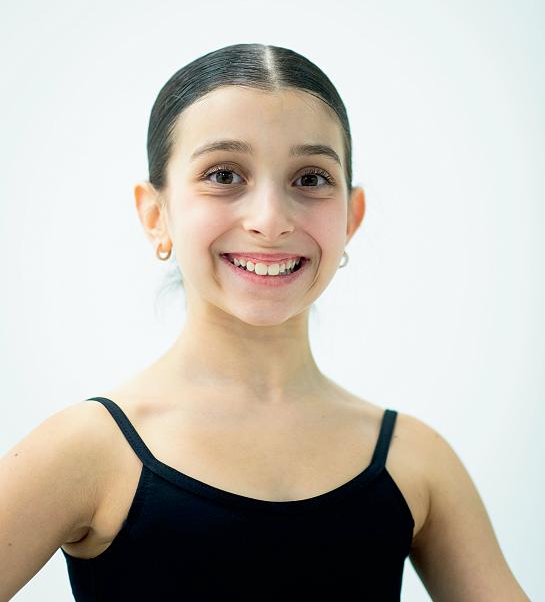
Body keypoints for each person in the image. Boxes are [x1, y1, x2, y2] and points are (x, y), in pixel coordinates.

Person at [0, 43, 530, 601]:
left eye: (311, 178)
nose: (271, 220)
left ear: (351, 217)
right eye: (224, 174)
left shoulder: (416, 461)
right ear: (156, 215)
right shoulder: (85, 450)